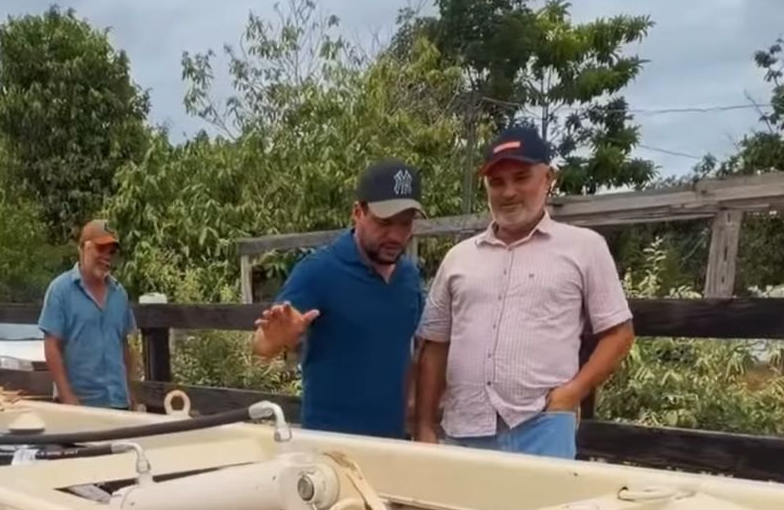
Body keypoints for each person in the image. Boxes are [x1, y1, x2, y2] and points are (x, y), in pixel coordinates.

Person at [414, 124, 634, 462]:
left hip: (541, 429)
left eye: (521, 177)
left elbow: (619, 333)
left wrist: (571, 394)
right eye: (497, 182)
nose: (508, 192)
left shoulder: (584, 247)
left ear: (548, 178)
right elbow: (434, 345)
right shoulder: (459, 258)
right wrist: (425, 426)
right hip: (463, 431)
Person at [251, 159, 426, 437]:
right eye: (384, 222)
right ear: (358, 212)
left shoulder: (409, 277)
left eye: (405, 224)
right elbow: (262, 345)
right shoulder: (318, 270)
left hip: (394, 445)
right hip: (330, 447)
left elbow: (414, 349)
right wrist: (277, 337)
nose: (395, 235)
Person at [38, 218, 137, 409]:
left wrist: (130, 392)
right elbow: (51, 346)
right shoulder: (60, 291)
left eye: (111, 252)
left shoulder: (120, 294)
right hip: (81, 404)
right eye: (100, 249)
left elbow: (123, 345)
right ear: (82, 248)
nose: (107, 257)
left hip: (118, 402)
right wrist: (66, 396)